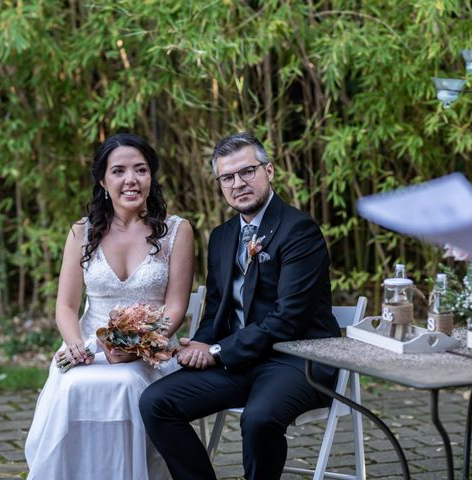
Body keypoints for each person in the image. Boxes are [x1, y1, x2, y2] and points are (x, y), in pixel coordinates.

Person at [139, 132, 340, 480]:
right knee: (156, 403)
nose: (238, 183)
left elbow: (287, 320)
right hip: (240, 360)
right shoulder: (221, 237)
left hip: (296, 360)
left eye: (247, 172)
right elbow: (217, 307)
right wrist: (200, 344)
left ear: (270, 171)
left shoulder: (299, 231)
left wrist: (216, 351)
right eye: (227, 177)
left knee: (259, 419)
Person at [24, 133, 194, 480]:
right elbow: (66, 306)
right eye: (118, 171)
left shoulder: (178, 231)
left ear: (151, 177)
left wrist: (140, 343)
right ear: (103, 180)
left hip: (149, 348)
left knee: (130, 383)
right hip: (88, 344)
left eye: (140, 170)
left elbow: (176, 307)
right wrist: (75, 344)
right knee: (71, 385)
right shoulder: (81, 232)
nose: (130, 180)